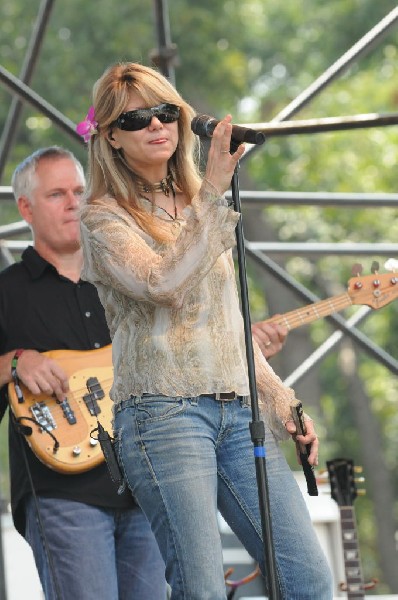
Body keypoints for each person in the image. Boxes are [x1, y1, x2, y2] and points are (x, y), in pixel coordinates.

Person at [78, 61, 334, 600]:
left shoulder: (201, 206)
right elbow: (162, 282)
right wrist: (213, 191)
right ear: (110, 138)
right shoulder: (104, 219)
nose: (157, 125)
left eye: (166, 111)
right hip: (163, 417)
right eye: (138, 117)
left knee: (308, 578)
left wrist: (285, 404)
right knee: (201, 590)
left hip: (239, 414)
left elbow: (228, 324)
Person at [0, 146, 167, 600]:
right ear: (26, 208)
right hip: (62, 495)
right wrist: (14, 361)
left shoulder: (126, 282)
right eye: (57, 194)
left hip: (145, 486)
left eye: (79, 190)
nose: (74, 202)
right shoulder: (8, 292)